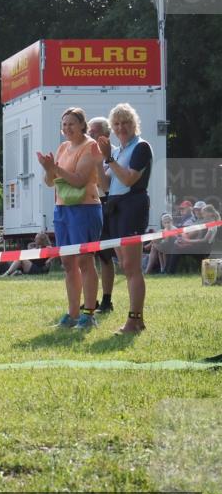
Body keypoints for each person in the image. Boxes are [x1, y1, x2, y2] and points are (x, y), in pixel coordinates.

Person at [37, 107, 103, 329]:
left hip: (85, 209)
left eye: (72, 124)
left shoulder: (90, 146)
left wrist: (55, 168)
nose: (67, 128)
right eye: (64, 124)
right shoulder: (63, 147)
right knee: (67, 263)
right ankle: (73, 313)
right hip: (62, 209)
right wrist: (49, 169)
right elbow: (50, 182)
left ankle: (89, 313)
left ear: (82, 125)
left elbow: (78, 180)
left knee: (85, 261)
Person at [97, 103, 153, 335]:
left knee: (131, 267)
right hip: (115, 208)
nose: (121, 128)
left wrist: (109, 160)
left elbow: (129, 179)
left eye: (126, 123)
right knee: (126, 267)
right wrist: (98, 160)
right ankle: (137, 321)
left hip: (132, 206)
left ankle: (133, 320)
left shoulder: (141, 147)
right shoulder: (117, 151)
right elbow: (106, 185)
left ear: (134, 124)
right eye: (117, 124)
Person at [88, 116, 117, 314]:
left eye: (95, 132)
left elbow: (106, 184)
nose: (90, 135)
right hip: (88, 205)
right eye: (89, 131)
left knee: (105, 256)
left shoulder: (114, 154)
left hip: (106, 205)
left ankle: (107, 300)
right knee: (88, 255)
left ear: (106, 135)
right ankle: (91, 299)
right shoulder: (85, 152)